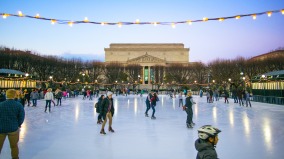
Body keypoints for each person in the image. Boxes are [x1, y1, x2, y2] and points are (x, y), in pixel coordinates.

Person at [0, 89, 25, 159]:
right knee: (14, 146)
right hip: (13, 128)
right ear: (14, 95)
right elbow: (21, 117)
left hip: (1, 128)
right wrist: (18, 124)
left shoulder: (1, 105)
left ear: (6, 95)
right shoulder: (18, 105)